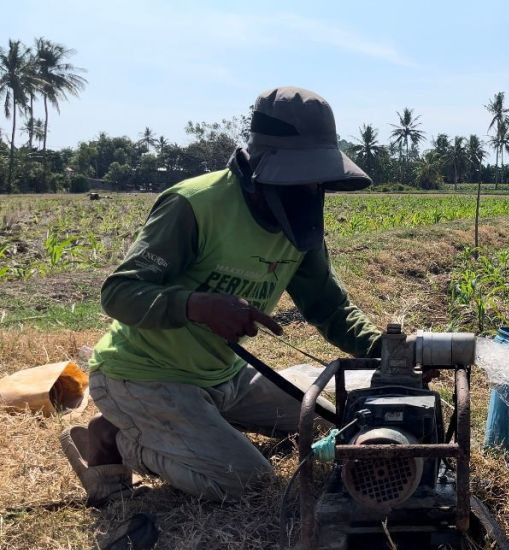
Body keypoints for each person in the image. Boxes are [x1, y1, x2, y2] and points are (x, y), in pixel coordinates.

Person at [60, 86, 383, 506]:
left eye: (315, 178)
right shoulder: (195, 205)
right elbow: (119, 293)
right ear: (261, 169)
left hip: (225, 376)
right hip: (145, 375)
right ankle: (112, 439)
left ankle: (203, 425)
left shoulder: (298, 222)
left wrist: (385, 349)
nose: (309, 189)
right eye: (300, 176)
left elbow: (329, 306)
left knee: (330, 423)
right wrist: (198, 306)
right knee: (247, 483)